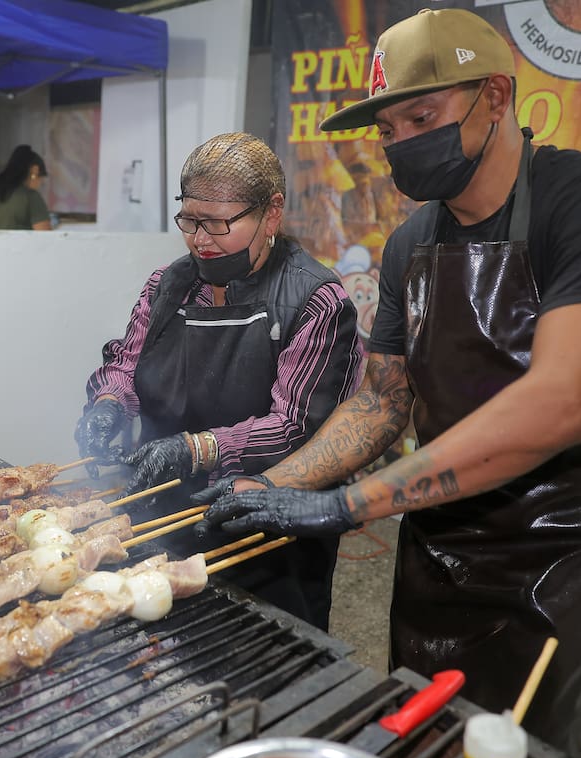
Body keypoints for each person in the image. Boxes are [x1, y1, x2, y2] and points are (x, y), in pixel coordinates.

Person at [196, 8, 581, 758]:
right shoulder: (414, 241)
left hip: (555, 550)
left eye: (423, 113)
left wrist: (348, 503)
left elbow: (565, 403)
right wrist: (266, 487)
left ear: (498, 97)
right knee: (421, 739)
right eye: (387, 128)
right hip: (436, 536)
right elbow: (382, 401)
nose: (402, 141)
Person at [74, 132, 365, 630]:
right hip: (162, 515)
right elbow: (128, 363)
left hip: (265, 524)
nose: (199, 239)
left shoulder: (315, 301)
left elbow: (295, 424)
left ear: (271, 213)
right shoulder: (168, 286)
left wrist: (195, 449)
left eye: (217, 223)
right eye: (189, 220)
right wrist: (108, 404)